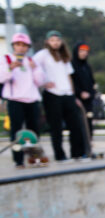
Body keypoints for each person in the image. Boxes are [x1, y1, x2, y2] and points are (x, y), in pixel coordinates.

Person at [35, 30, 87, 162]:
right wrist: (43, 83)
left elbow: (69, 76)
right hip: (53, 94)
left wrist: (73, 94)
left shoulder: (64, 56)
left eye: (57, 40)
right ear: (47, 42)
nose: (55, 43)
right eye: (52, 40)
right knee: (56, 127)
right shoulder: (43, 55)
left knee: (75, 125)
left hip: (67, 94)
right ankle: (60, 155)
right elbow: (32, 66)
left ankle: (77, 153)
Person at [1, 32, 46, 168]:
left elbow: (40, 81)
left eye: (24, 45)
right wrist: (10, 68)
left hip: (32, 99)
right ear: (14, 46)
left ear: (28, 47)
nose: (21, 48)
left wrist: (35, 69)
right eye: (18, 45)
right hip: (15, 99)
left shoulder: (32, 61)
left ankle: (34, 158)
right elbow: (1, 78)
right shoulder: (6, 59)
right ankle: (18, 160)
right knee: (16, 131)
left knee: (34, 131)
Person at [70, 42, 97, 141]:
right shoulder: (71, 65)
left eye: (86, 51)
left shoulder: (87, 67)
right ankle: (80, 150)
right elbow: (71, 82)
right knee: (79, 125)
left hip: (88, 101)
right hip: (77, 101)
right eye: (81, 51)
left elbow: (92, 83)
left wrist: (91, 94)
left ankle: (89, 146)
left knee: (89, 124)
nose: (84, 53)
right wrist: (80, 93)